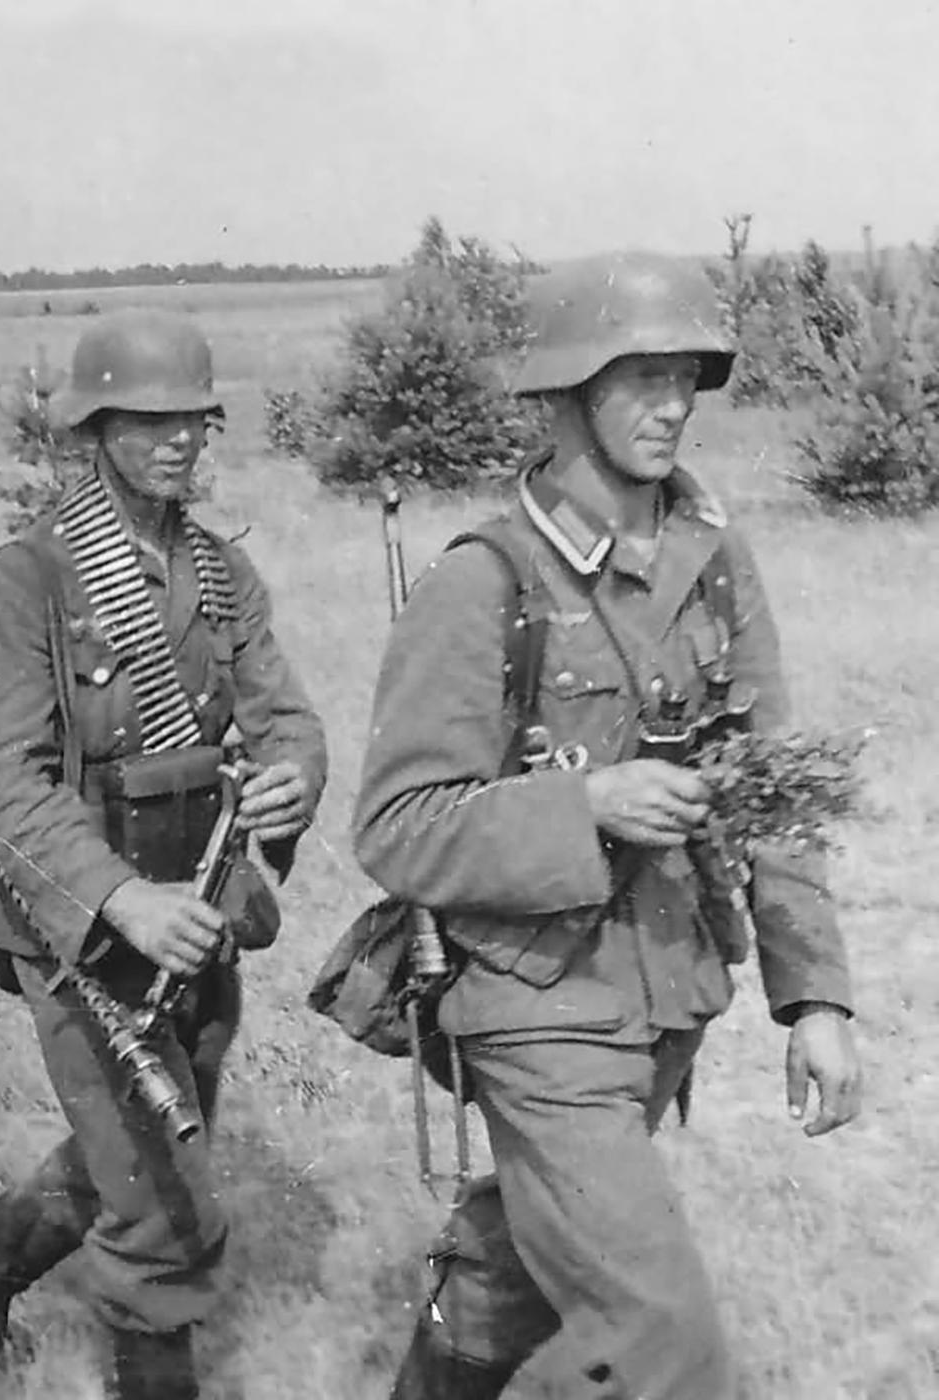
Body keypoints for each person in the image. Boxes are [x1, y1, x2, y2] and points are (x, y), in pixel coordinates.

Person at [351, 252, 863, 1400]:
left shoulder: (712, 561)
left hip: (669, 988)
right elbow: (396, 825)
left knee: (507, 1276)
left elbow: (771, 793)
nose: (672, 403)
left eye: (684, 376)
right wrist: (584, 805)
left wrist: (814, 999)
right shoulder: (483, 580)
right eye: (640, 376)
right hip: (535, 1002)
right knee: (660, 1341)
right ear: (568, 392)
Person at [0, 310, 327, 1399]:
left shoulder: (218, 571)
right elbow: (12, 783)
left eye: (194, 419)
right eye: (148, 421)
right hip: (82, 927)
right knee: (163, 1200)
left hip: (198, 912)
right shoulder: (33, 578)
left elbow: (283, 713)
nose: (179, 439)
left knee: (138, 1150)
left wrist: (294, 774)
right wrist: (121, 899)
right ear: (93, 429)